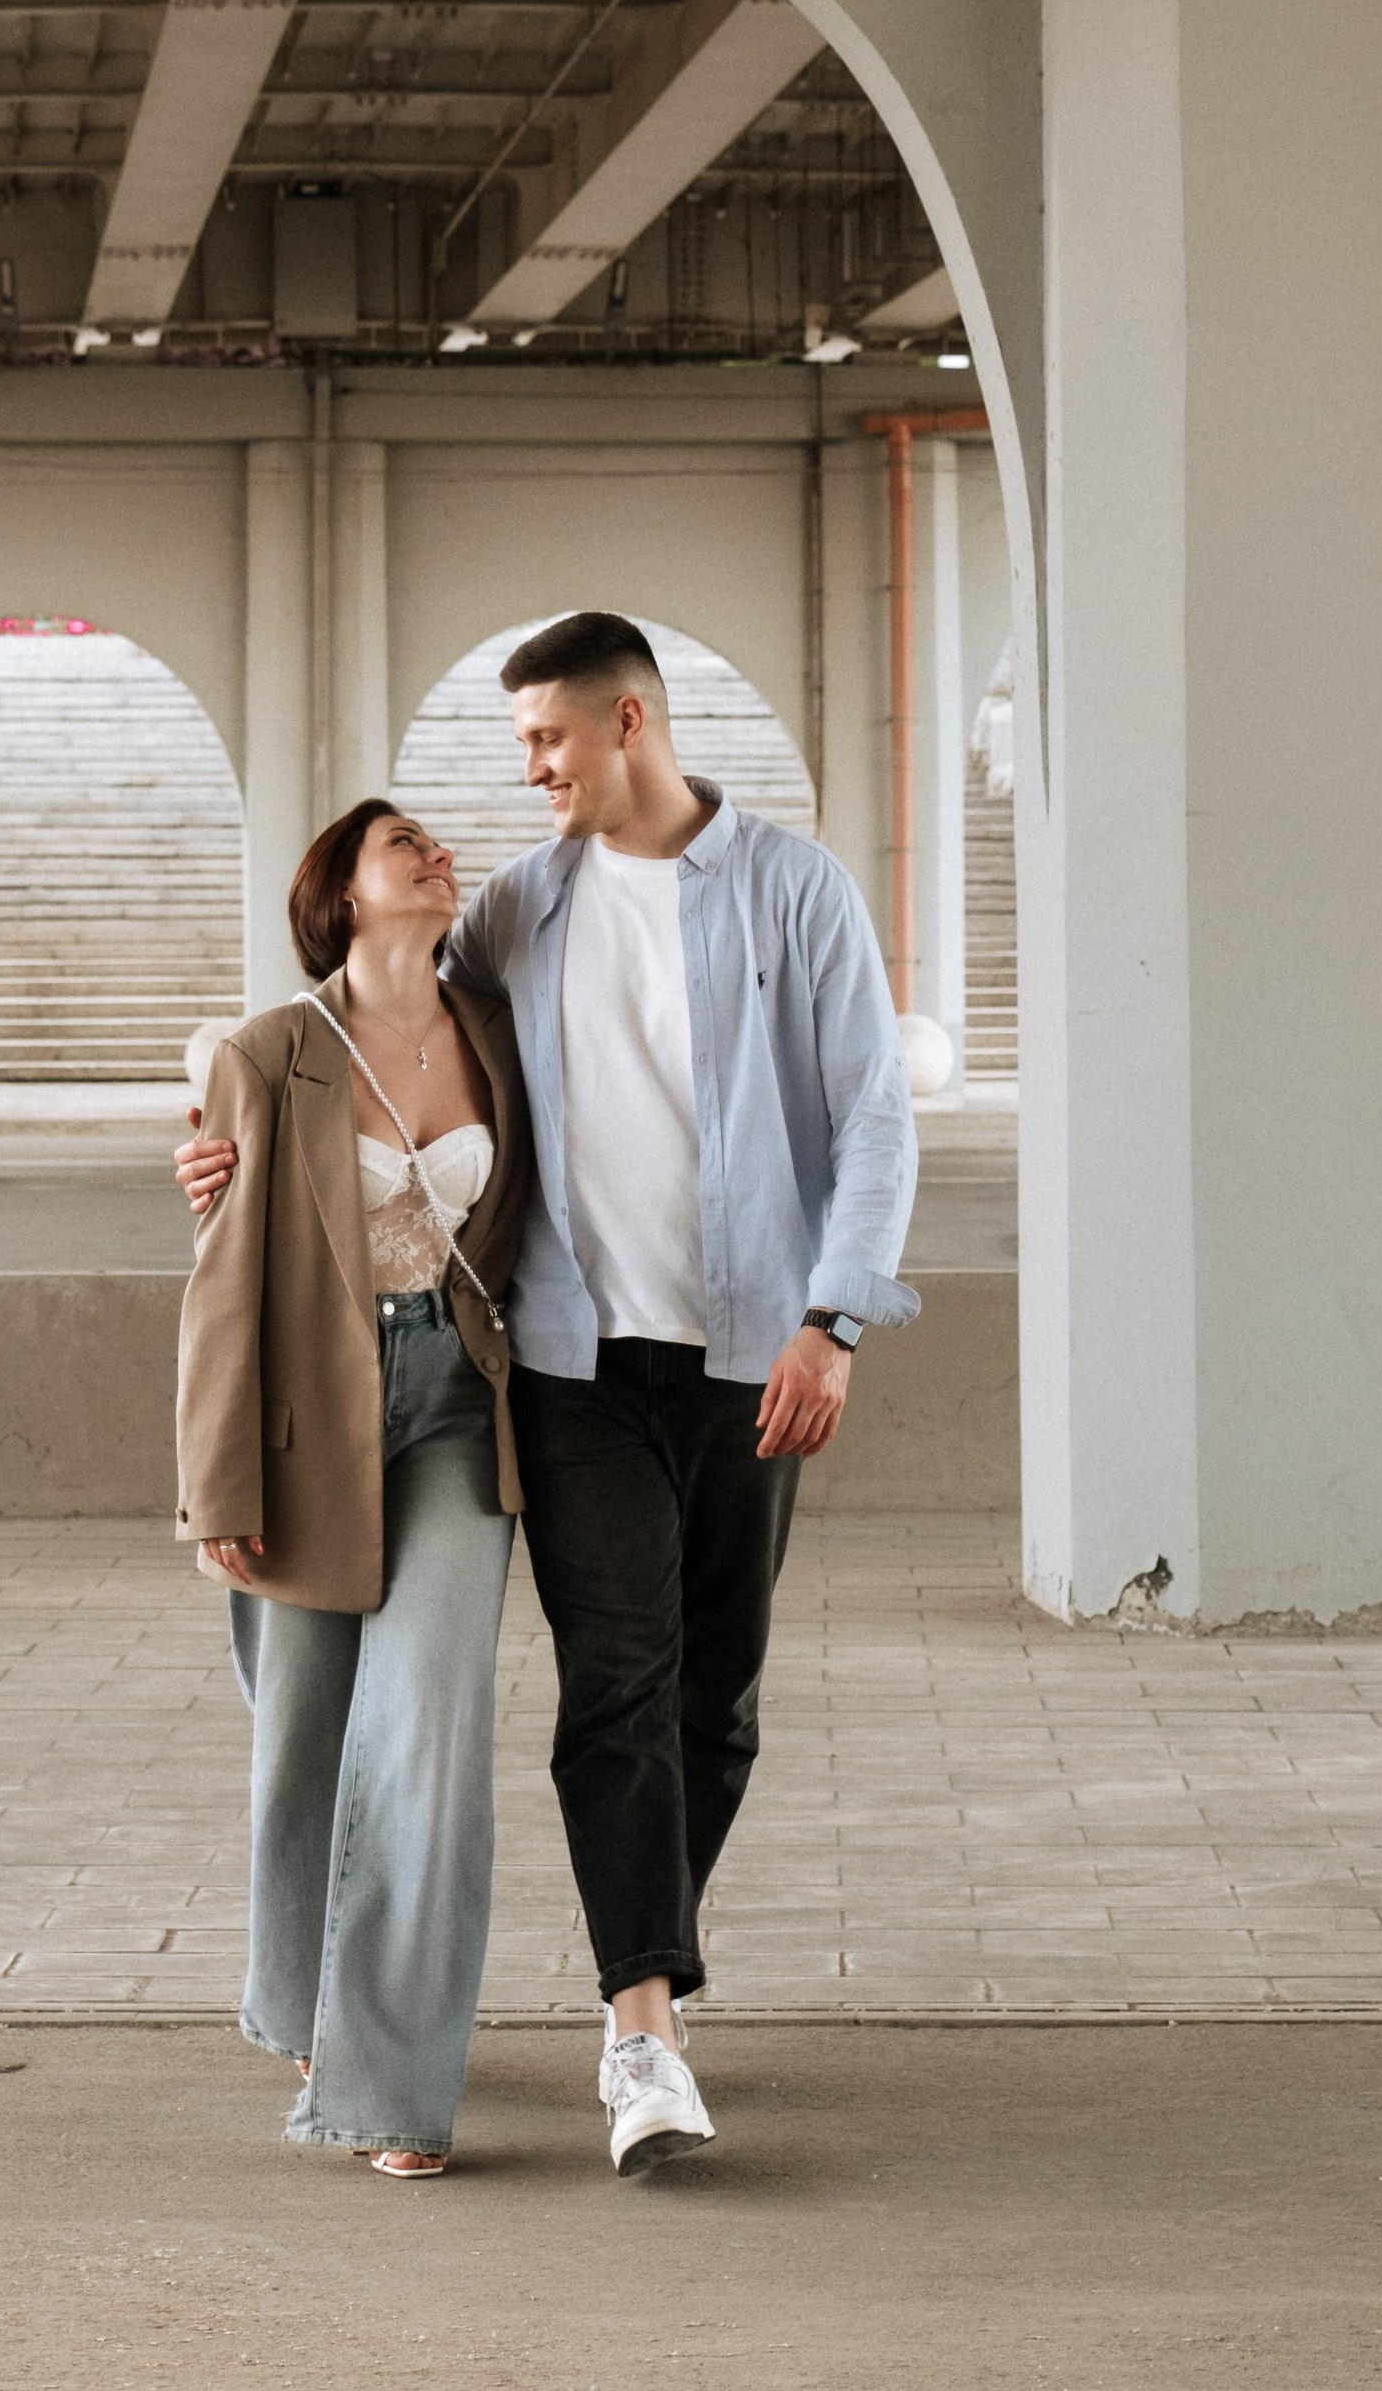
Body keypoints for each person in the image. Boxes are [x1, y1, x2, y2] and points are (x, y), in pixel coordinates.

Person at [180, 612, 918, 2177]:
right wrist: (225, 1163)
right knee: (610, 1689)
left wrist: (832, 1320)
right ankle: (638, 2019)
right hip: (569, 1368)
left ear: (630, 721)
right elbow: (342, 1050)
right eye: (519, 747)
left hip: (744, 1359)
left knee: (714, 1702)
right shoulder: (521, 909)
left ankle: (644, 1948)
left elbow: (874, 1122)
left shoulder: (794, 890)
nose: (527, 774)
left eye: (547, 743)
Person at [176, 798, 534, 2178]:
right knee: (305, 1743)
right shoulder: (267, 1053)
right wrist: (216, 1490)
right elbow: (220, 1290)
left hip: (460, 1411)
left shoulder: (504, 1034)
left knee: (429, 1734)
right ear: (343, 894)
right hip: (301, 1423)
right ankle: (306, 2002)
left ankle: (389, 2078)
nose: (441, 858)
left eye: (440, 846)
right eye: (409, 849)